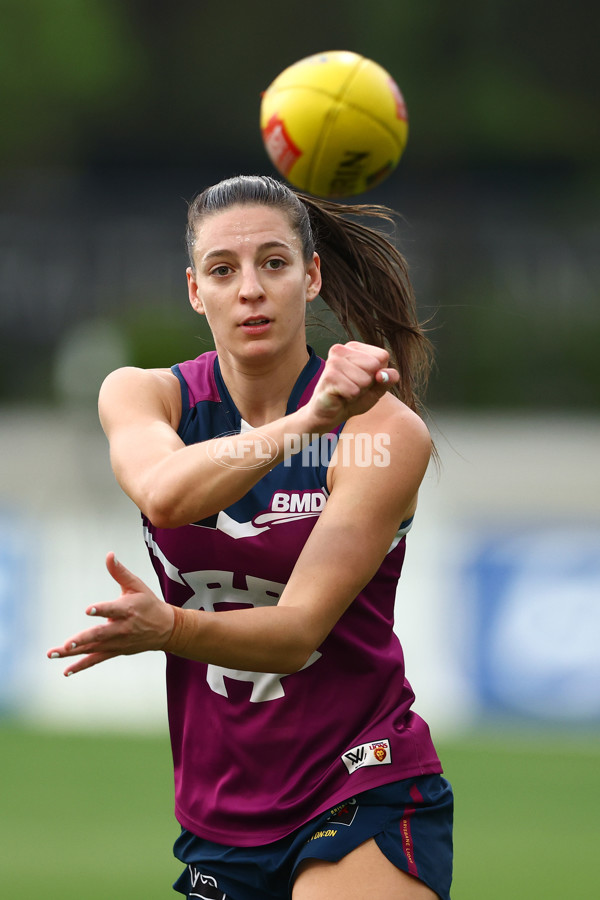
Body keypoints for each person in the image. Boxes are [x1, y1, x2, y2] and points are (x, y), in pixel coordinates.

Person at [48, 174, 453, 900]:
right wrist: (305, 423)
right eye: (223, 270)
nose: (251, 290)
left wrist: (168, 626)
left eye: (274, 263)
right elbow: (167, 496)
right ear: (195, 291)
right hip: (221, 807)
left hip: (360, 777)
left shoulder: (381, 431)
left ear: (312, 275)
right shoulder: (143, 395)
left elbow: (296, 634)